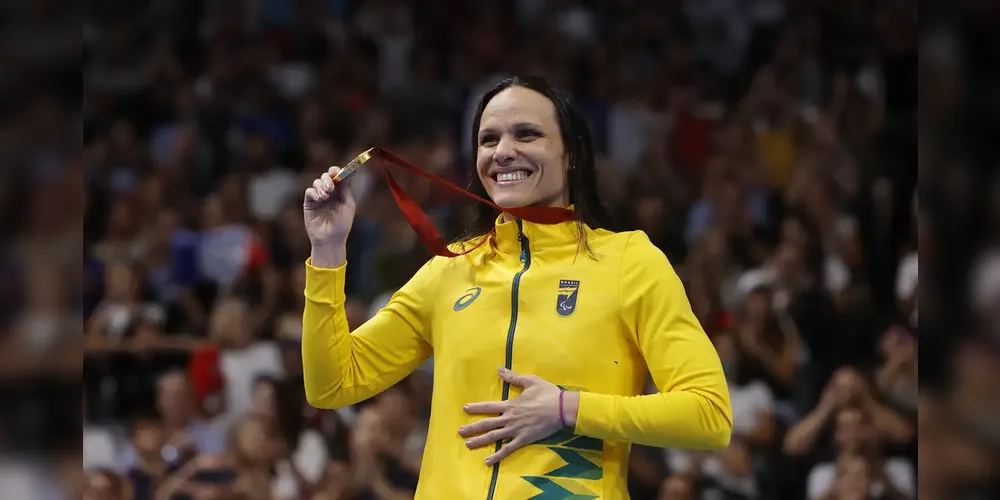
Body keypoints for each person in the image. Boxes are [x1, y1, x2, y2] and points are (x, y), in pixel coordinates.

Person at [300, 75, 733, 499]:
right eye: (488, 140)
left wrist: (569, 409)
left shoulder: (628, 262)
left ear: (572, 154)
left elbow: (708, 414)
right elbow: (332, 384)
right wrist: (327, 250)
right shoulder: (452, 269)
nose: (504, 152)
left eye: (527, 134)